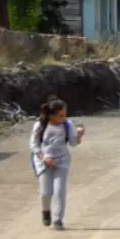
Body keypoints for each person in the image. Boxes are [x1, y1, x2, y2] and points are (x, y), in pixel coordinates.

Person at [30, 96, 85, 231]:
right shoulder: (40, 125)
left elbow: (72, 143)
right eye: (60, 115)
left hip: (62, 161)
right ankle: (46, 211)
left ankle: (58, 219)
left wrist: (79, 136)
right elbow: (34, 145)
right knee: (46, 192)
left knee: (60, 190)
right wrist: (44, 159)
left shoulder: (67, 124)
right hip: (44, 162)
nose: (64, 117)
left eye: (65, 114)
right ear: (50, 115)